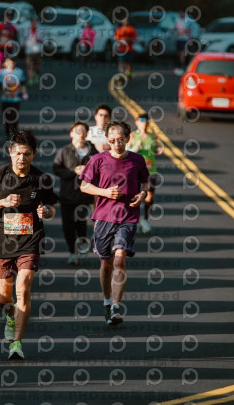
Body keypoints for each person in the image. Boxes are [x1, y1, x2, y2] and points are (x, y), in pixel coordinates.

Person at [0, 130, 58, 360]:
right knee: (3, 298)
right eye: (18, 153)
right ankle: (11, 316)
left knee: (23, 288)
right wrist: (2, 202)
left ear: (34, 154)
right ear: (10, 152)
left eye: (27, 154)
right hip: (2, 243)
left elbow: (52, 207)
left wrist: (46, 211)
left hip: (30, 241)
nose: (22, 158)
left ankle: (16, 344)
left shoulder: (41, 179)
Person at [79, 121, 149, 325]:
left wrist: (142, 194)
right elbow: (84, 186)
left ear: (128, 138)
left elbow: (145, 181)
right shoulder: (98, 159)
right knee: (106, 263)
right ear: (107, 140)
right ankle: (107, 301)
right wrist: (105, 192)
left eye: (120, 140)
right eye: (112, 140)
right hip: (103, 217)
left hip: (128, 216)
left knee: (119, 260)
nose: (116, 144)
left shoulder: (137, 159)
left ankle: (116, 306)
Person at [53, 122, 98, 265]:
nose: (81, 134)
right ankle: (72, 251)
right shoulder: (64, 151)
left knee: (81, 222)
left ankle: (82, 245)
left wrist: (88, 171)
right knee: (68, 225)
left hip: (85, 195)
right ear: (71, 133)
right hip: (67, 195)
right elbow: (56, 169)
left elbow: (100, 169)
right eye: (78, 131)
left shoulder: (92, 151)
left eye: (84, 131)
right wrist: (73, 171)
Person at [127, 113, 163, 233]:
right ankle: (135, 221)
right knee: (135, 196)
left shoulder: (152, 136)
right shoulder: (132, 135)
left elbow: (155, 148)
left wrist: (158, 149)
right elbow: (127, 151)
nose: (144, 123)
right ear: (137, 122)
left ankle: (145, 220)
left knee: (149, 196)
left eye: (146, 121)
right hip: (136, 171)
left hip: (150, 170)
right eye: (141, 121)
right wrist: (136, 147)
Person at [0, 58, 28, 137]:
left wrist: (24, 93)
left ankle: (14, 130)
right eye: (8, 62)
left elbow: (22, 84)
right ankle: (7, 130)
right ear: (5, 63)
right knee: (6, 115)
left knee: (14, 115)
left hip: (16, 98)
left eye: (12, 62)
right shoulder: (2, 72)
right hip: (5, 98)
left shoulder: (19, 72)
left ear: (15, 63)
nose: (10, 64)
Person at [24, 17, 44, 86]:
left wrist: (38, 40)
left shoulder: (40, 31)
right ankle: (30, 79)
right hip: (29, 51)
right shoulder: (27, 31)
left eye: (35, 22)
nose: (33, 23)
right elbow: (23, 39)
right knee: (29, 66)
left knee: (36, 66)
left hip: (37, 51)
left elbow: (44, 41)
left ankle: (37, 74)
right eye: (32, 22)